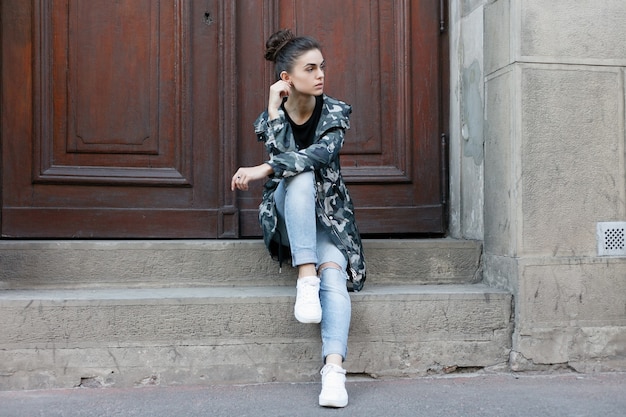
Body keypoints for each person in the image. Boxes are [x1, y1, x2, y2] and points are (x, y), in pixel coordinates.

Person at [231, 29, 366, 408]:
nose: (321, 74)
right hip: (288, 217)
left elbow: (318, 155)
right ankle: (306, 278)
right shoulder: (270, 116)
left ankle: (334, 372)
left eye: (322, 66)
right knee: (299, 178)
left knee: (335, 278)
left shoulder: (337, 112)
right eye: (310, 68)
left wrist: (260, 169)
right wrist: (275, 112)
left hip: (330, 220)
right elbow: (290, 167)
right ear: (287, 79)